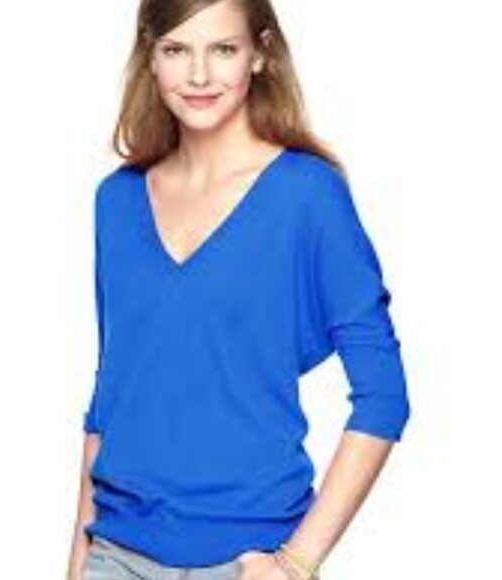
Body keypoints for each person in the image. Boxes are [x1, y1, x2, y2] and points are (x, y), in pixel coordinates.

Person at [66, 1, 412, 579]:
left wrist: (296, 563)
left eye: (223, 49)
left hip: (248, 558)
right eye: (177, 49)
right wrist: (78, 563)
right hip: (115, 554)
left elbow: (384, 396)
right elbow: (112, 392)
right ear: (150, 56)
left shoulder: (307, 194)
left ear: (260, 53)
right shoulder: (116, 200)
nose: (199, 74)